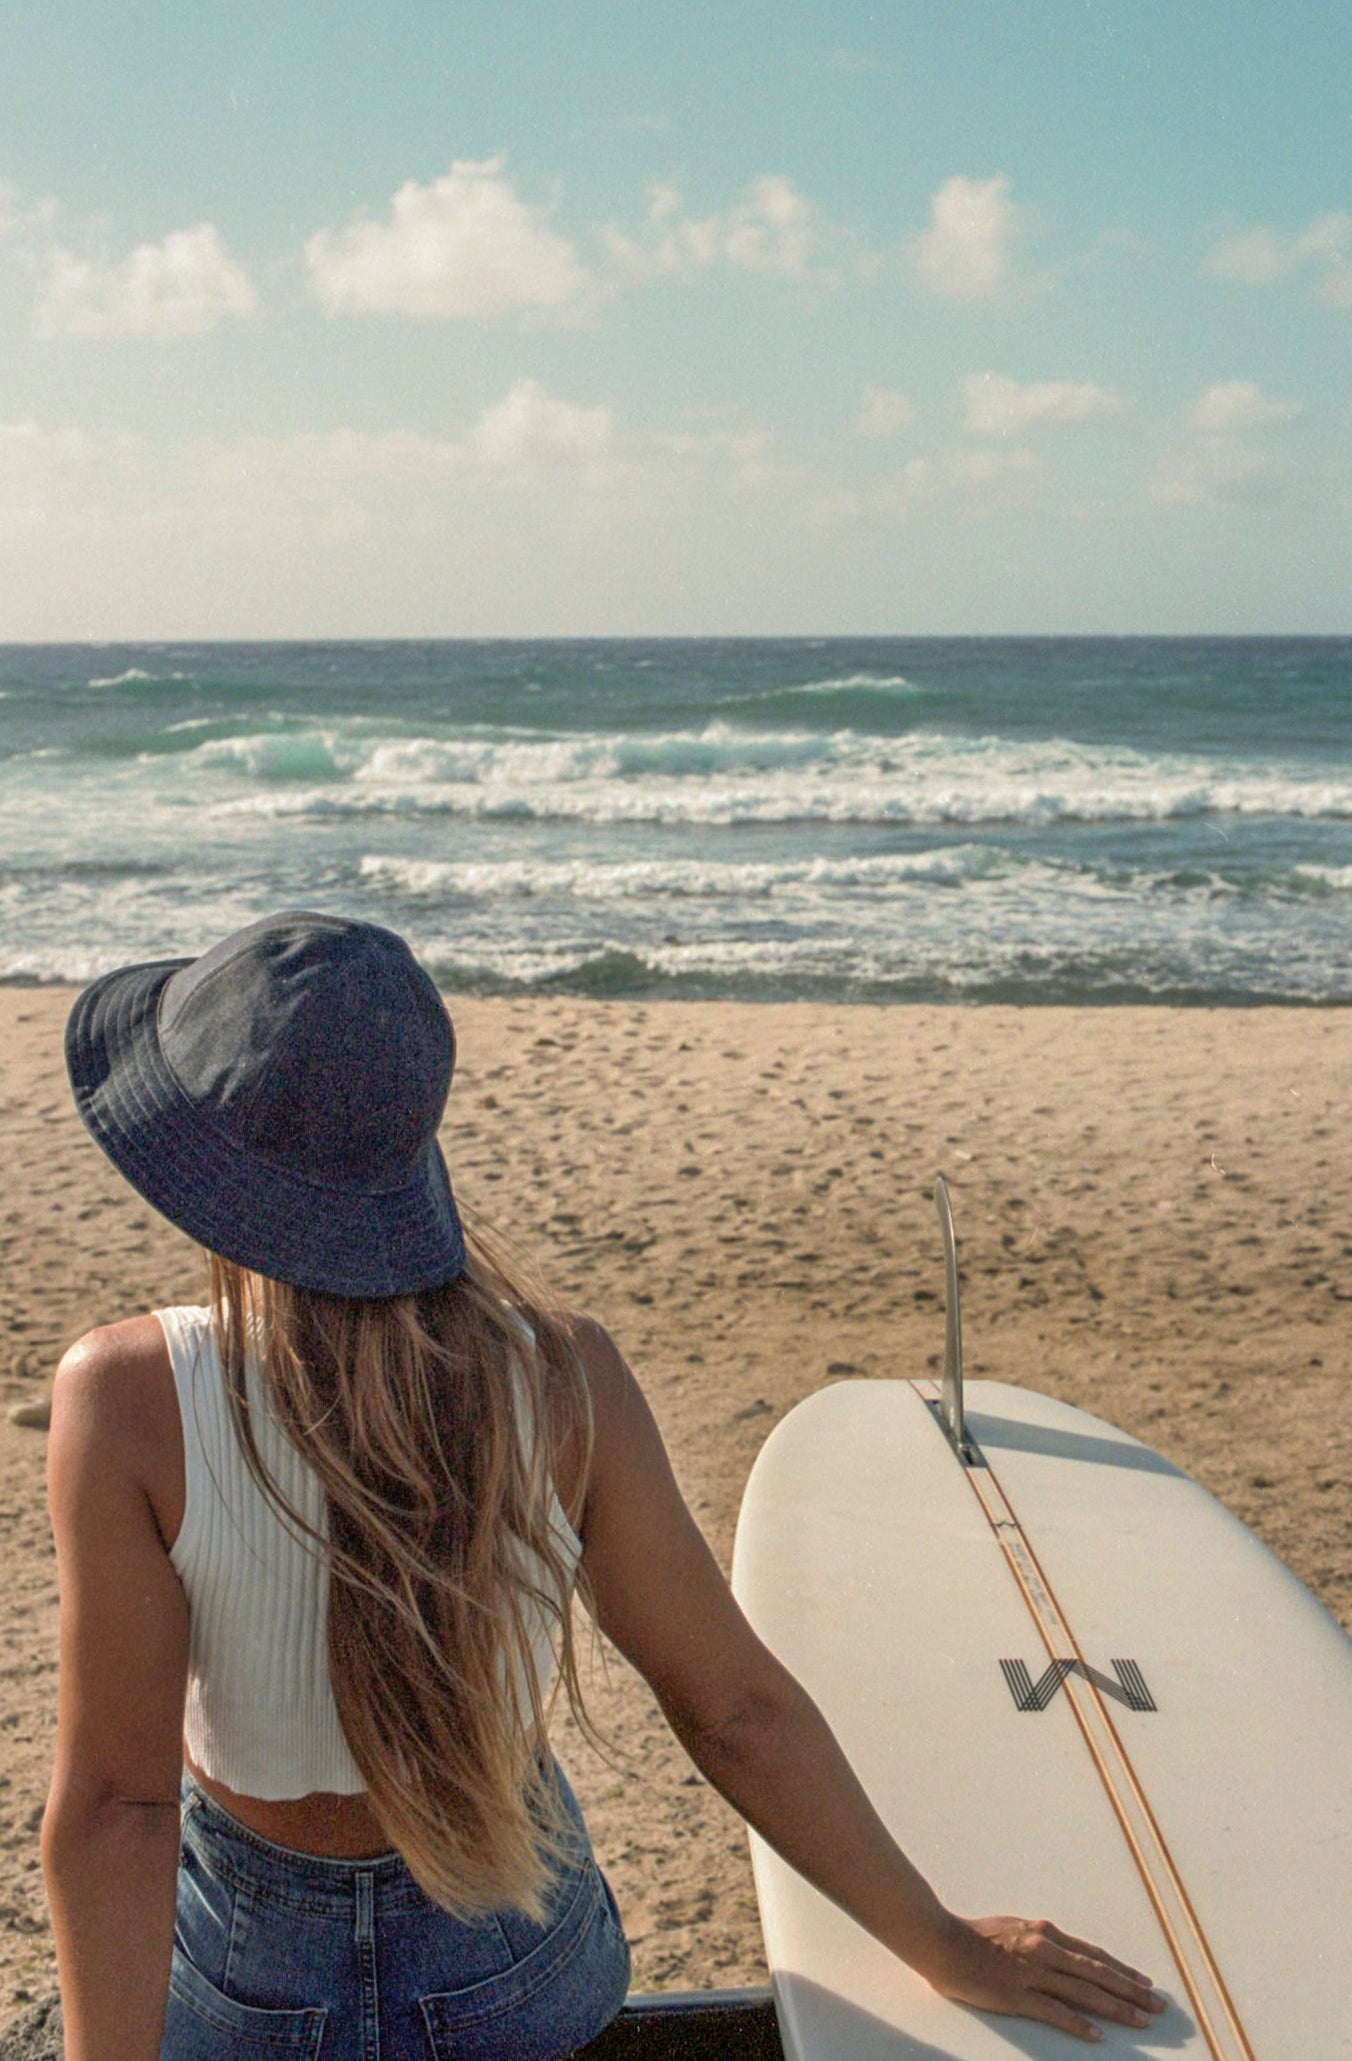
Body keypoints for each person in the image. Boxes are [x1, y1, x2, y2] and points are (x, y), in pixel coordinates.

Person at [42, 911, 1165, 2061]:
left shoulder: (126, 1397)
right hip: (514, 1964)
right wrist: (941, 1944)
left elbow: (116, 1807)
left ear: (203, 1163)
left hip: (249, 1980)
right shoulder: (563, 1379)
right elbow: (734, 1711)